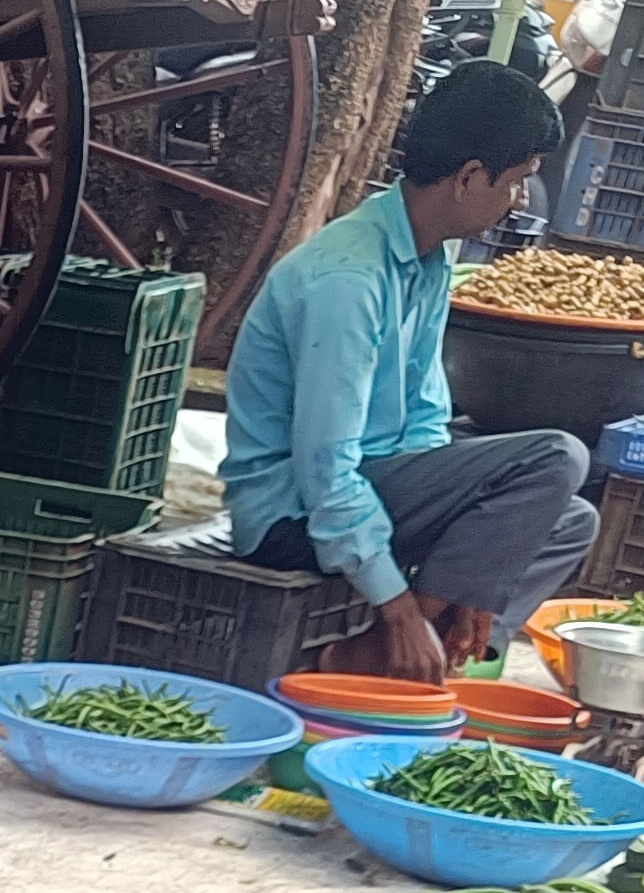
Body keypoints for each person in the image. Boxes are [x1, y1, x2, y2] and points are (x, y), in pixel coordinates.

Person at [223, 60, 594, 686]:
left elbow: (425, 419)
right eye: (519, 180)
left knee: (571, 520)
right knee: (557, 458)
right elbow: (324, 473)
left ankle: (433, 649)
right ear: (471, 176)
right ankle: (395, 643)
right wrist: (398, 607)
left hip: (378, 481)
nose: (521, 201)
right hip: (290, 518)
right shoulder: (349, 279)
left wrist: (466, 549)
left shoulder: (426, 258)